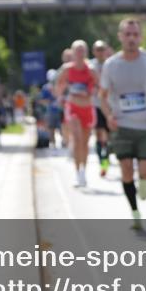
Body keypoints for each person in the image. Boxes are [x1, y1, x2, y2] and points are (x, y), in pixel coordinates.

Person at [99, 19, 146, 230]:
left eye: (135, 34)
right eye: (127, 34)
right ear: (120, 36)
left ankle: (145, 180)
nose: (131, 38)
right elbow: (102, 95)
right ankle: (135, 211)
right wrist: (108, 115)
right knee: (126, 170)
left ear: (141, 37)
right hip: (122, 125)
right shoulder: (111, 64)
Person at [55, 40, 99, 187]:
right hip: (73, 107)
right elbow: (58, 85)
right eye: (77, 50)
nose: (80, 53)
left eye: (82, 50)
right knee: (77, 138)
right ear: (73, 53)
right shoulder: (67, 69)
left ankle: (82, 172)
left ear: (85, 52)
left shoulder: (91, 70)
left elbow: (100, 87)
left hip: (87, 108)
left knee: (85, 143)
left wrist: (91, 91)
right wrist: (60, 96)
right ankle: (76, 172)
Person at [90, 40, 113, 176]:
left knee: (109, 137)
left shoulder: (112, 64)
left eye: (102, 49)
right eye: (97, 49)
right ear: (94, 51)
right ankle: (103, 162)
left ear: (106, 50)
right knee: (99, 135)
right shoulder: (90, 66)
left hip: (110, 105)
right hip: (96, 105)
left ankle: (107, 158)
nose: (100, 52)